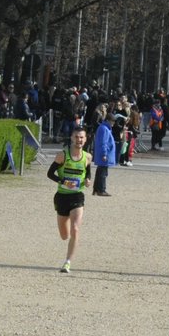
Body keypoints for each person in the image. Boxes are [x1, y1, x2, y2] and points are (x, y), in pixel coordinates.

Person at [48, 124, 93, 273]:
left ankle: (67, 262)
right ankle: (68, 243)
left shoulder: (87, 157)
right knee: (64, 235)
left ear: (85, 139)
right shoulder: (62, 155)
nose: (79, 140)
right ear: (72, 138)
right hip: (62, 197)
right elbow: (50, 174)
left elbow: (87, 173)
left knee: (75, 229)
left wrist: (87, 180)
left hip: (77, 197)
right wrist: (63, 182)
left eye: (81, 137)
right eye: (76, 137)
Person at [91, 109, 116, 196]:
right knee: (103, 173)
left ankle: (96, 189)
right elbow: (103, 143)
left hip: (104, 154)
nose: (114, 123)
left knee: (100, 172)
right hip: (104, 154)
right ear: (108, 120)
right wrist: (104, 154)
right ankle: (101, 189)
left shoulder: (104, 128)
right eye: (113, 121)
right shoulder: (104, 129)